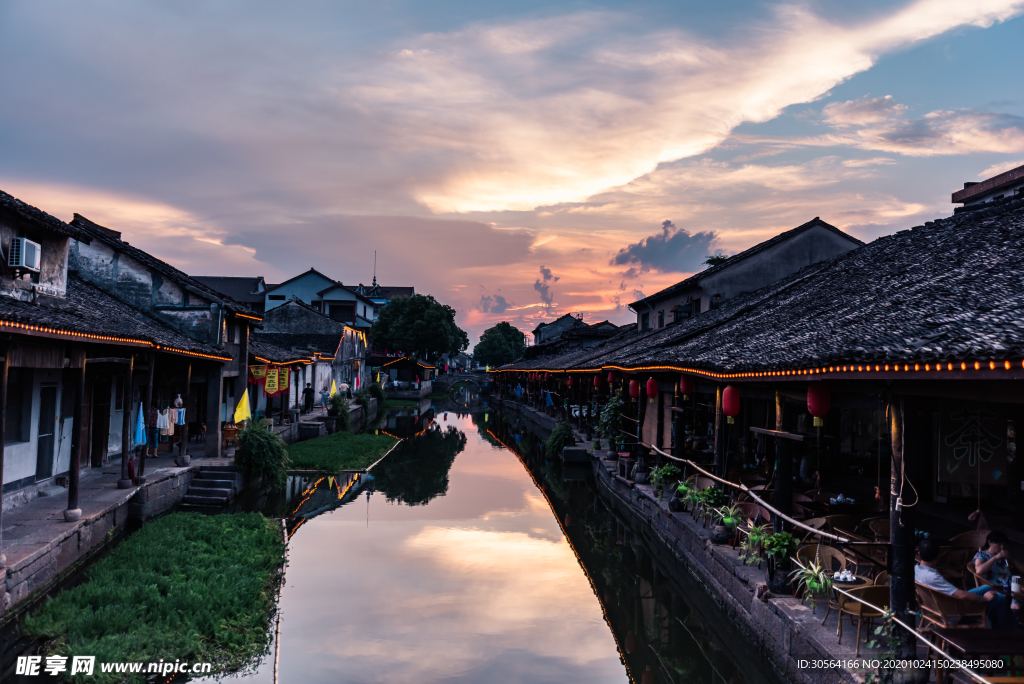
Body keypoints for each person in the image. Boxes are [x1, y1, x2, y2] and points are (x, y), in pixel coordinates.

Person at [916, 538, 1016, 629]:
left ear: (919, 554)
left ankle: (1000, 629)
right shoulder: (933, 577)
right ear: (938, 556)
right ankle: (1010, 633)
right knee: (999, 599)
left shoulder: (916, 570)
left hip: (938, 608)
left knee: (986, 588)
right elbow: (962, 595)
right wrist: (985, 598)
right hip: (954, 614)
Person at [974, 530, 1020, 615]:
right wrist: (995, 558)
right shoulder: (982, 555)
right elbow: (979, 570)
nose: (1002, 547)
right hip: (996, 587)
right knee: (1015, 607)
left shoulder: (1006, 555)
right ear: (990, 542)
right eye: (999, 544)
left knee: (1017, 605)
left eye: (1004, 544)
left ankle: (1015, 617)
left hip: (1013, 586)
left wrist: (1012, 559)